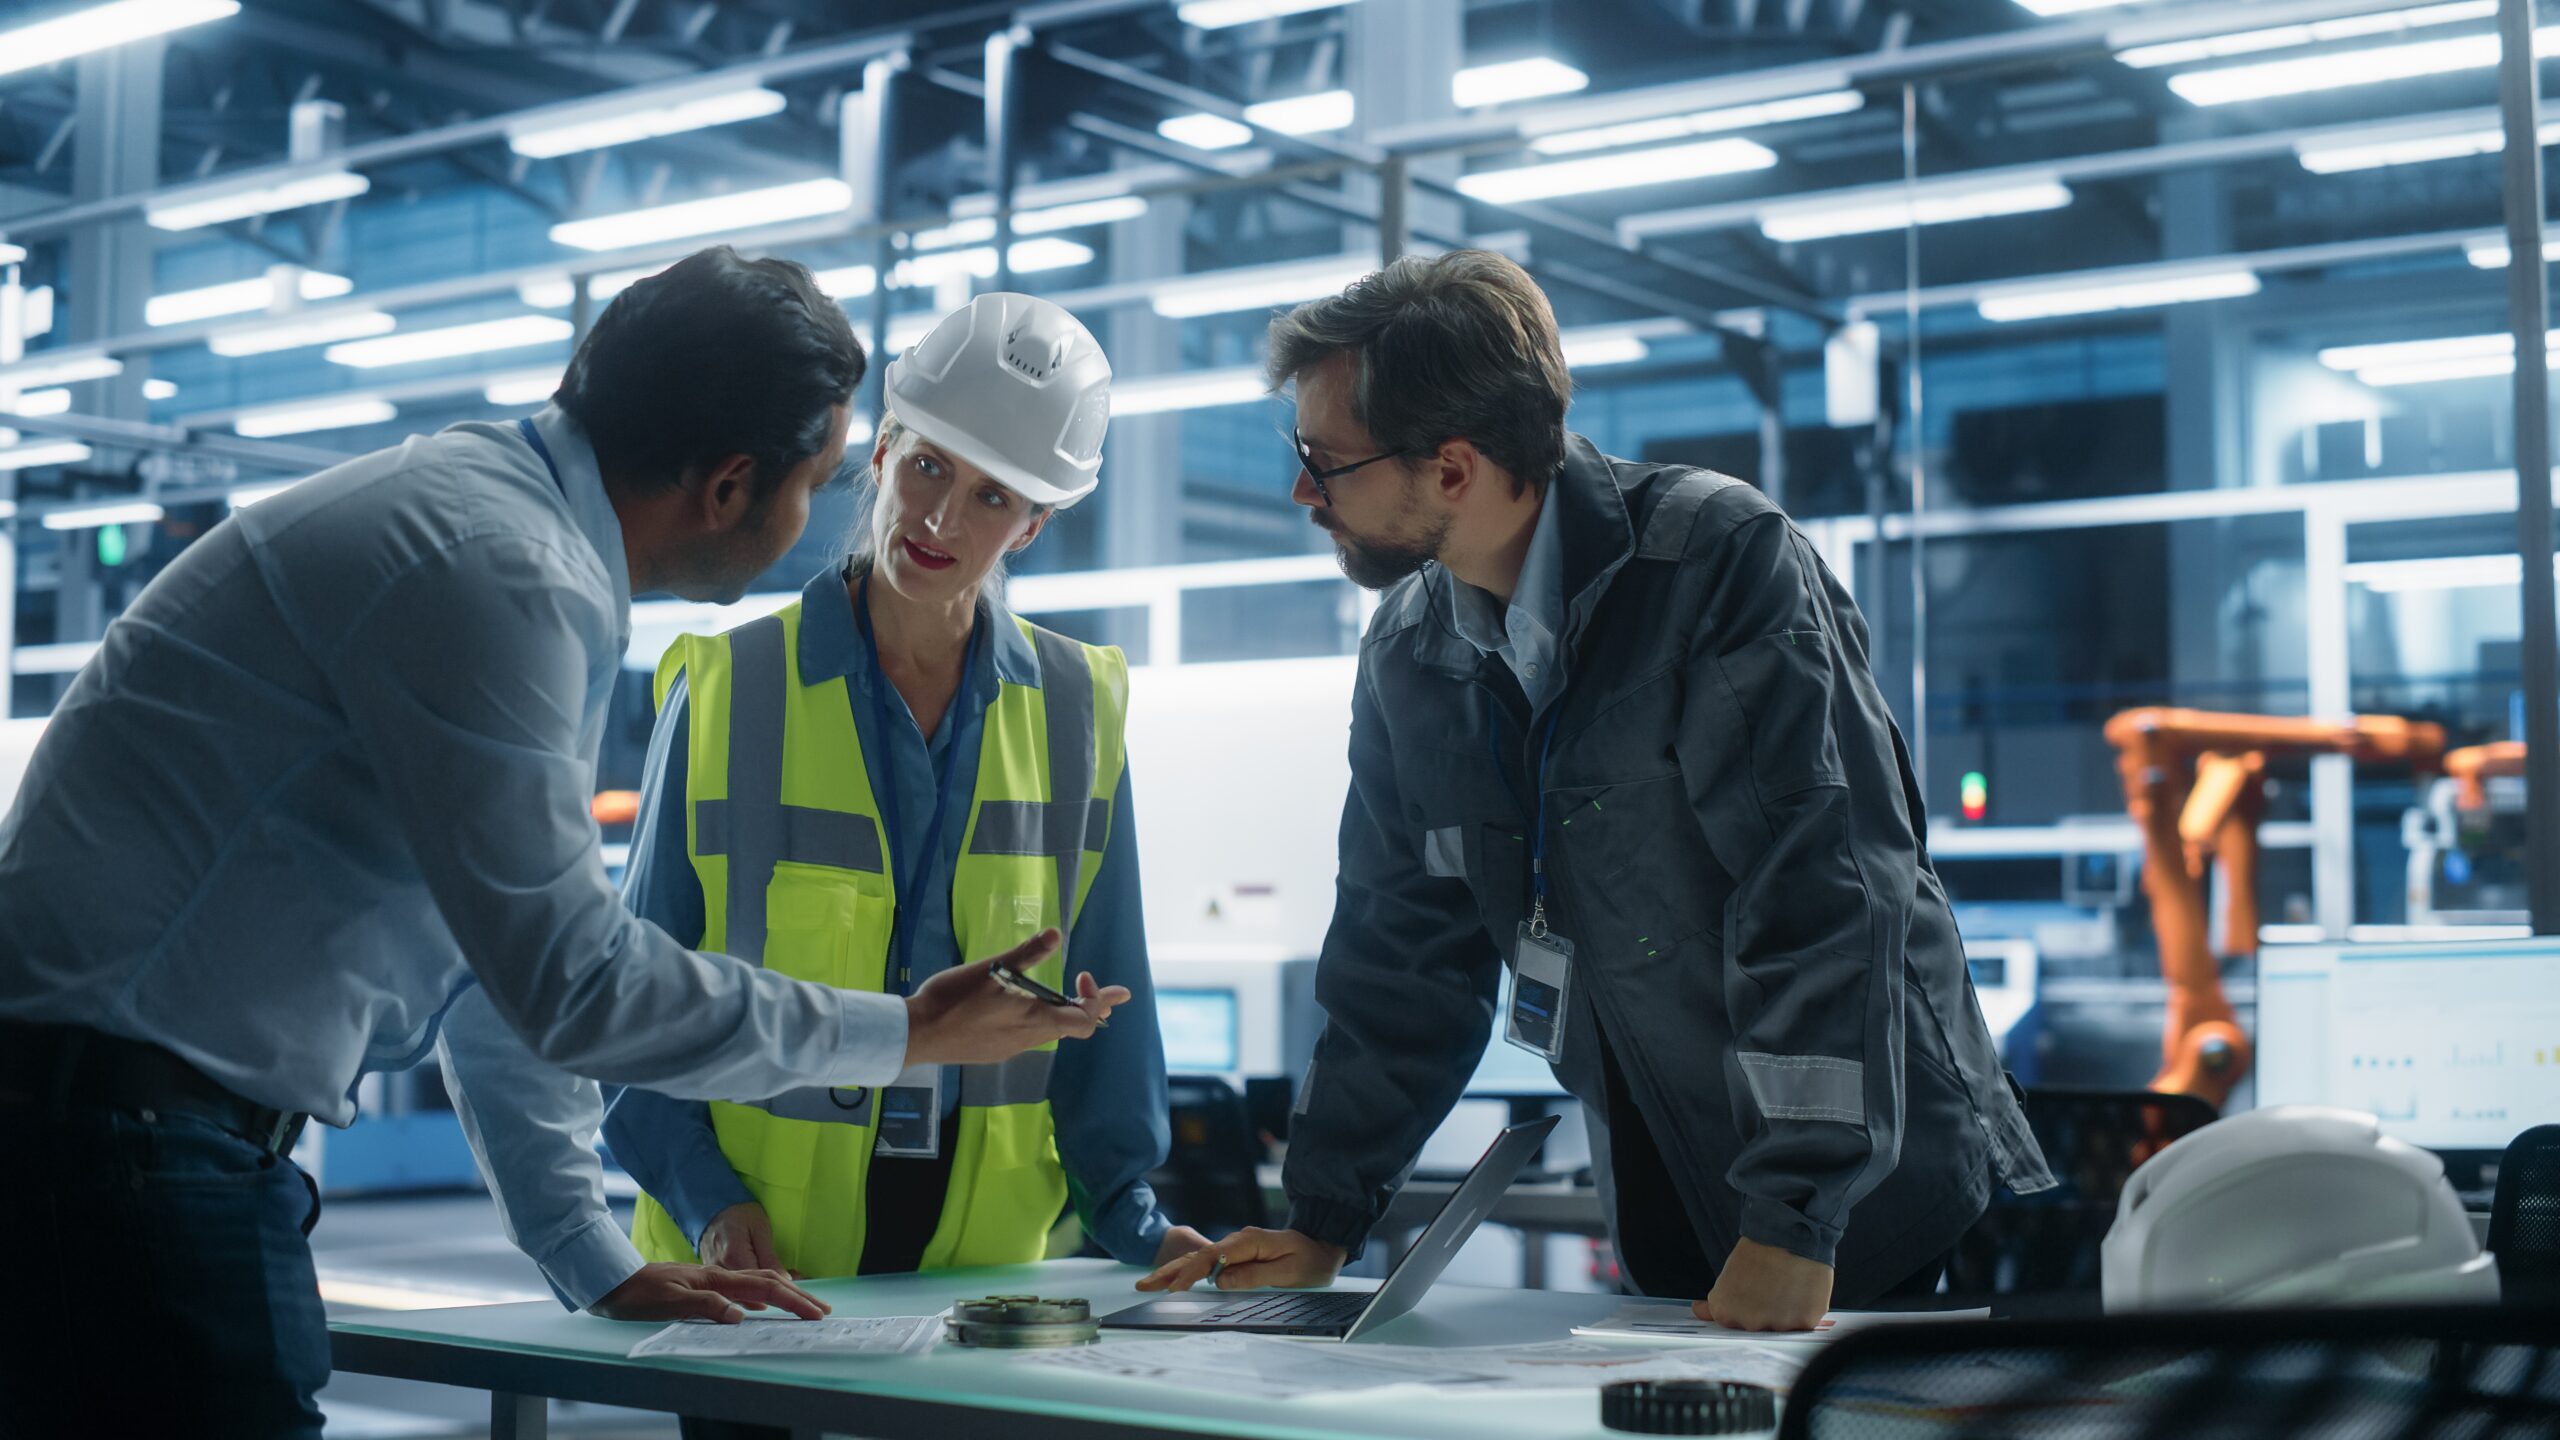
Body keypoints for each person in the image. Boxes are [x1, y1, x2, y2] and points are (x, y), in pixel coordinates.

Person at [0, 247, 1119, 1440]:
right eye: (821, 480)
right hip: (120, 1147)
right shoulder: (505, 575)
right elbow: (573, 982)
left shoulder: (507, 540)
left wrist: (594, 1257)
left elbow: (497, 970)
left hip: (121, 1139)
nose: (820, 518)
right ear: (732, 485)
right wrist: (903, 1033)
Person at [1139, 250, 2055, 1330]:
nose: (1302, 491)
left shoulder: (1714, 567)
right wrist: (1326, 1213)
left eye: (1324, 460)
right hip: (1656, 1159)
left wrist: (1798, 1213)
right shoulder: (1411, 652)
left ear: (1451, 469)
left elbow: (1822, 895)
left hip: (1866, 1193)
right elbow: (1400, 954)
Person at [604, 290, 1211, 1440]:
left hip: (982, 1295)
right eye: (927, 467)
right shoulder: (728, 689)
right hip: (759, 1282)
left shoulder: (1080, 710)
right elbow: (640, 1003)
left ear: (1029, 524)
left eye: (991, 495)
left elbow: (1109, 1000)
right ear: (879, 453)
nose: (942, 515)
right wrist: (706, 1200)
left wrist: (1136, 1215)